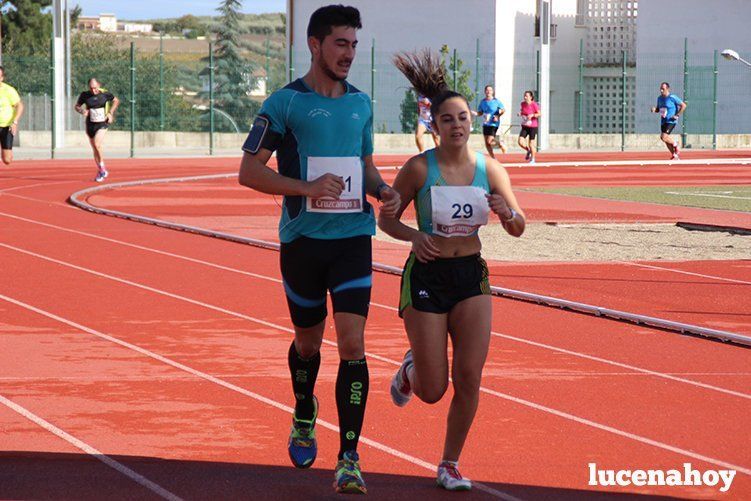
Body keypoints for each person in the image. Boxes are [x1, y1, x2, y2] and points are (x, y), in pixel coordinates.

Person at [238, 4, 400, 495]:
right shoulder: (285, 103)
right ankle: (304, 409)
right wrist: (307, 188)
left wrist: (382, 190)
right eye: (340, 44)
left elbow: (365, 165)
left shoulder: (361, 104)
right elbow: (249, 172)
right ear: (315, 44)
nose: (350, 53)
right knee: (308, 344)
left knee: (353, 345)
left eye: (354, 44)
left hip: (353, 239)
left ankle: (349, 456)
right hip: (303, 243)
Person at [386, 50, 525, 491]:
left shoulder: (492, 169)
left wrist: (506, 213)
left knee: (470, 377)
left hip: (470, 277)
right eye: (448, 119)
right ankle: (411, 371)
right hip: (426, 276)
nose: (458, 125)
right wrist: (414, 238)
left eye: (463, 117)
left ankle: (449, 463)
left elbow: (519, 226)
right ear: (435, 126)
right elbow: (386, 218)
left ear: (472, 121)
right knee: (432, 390)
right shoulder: (418, 168)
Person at [75, 78, 119, 182]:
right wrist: (82, 111)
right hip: (90, 124)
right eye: (91, 88)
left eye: (95, 88)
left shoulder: (105, 94)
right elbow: (77, 106)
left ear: (99, 85)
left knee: (97, 144)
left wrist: (110, 113)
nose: (93, 90)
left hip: (102, 123)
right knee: (95, 148)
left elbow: (116, 101)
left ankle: (103, 169)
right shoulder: (85, 95)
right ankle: (100, 170)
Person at [651, 82, 686, 160]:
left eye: (663, 89)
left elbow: (683, 105)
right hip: (663, 120)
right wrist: (654, 109)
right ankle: (674, 155)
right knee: (664, 138)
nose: (661, 90)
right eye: (660, 88)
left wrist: (677, 115)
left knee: (664, 137)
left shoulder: (672, 97)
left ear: (667, 89)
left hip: (671, 121)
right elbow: (658, 109)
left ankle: (675, 144)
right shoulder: (659, 98)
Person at [0, 66, 24, 165]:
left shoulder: (8, 90)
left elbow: (19, 105)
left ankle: (6, 152)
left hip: (6, 126)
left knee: (7, 160)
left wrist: (15, 121)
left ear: (2, 77)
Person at [473, 85, 506, 157]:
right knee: (487, 143)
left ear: (492, 92)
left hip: (494, 124)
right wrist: (475, 113)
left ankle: (500, 143)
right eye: (487, 90)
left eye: (490, 90)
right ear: (485, 92)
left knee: (490, 141)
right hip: (486, 123)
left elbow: (503, 110)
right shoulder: (483, 102)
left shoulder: (496, 101)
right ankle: (493, 158)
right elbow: (480, 112)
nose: (488, 92)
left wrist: (498, 116)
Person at [517, 90, 540, 164]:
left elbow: (539, 113)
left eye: (527, 96)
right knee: (520, 141)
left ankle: (533, 159)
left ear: (531, 97)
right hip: (525, 125)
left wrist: (533, 115)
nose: (525, 97)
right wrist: (520, 113)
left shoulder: (534, 104)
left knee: (531, 143)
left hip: (533, 126)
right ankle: (528, 150)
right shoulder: (522, 104)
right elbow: (523, 111)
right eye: (524, 95)